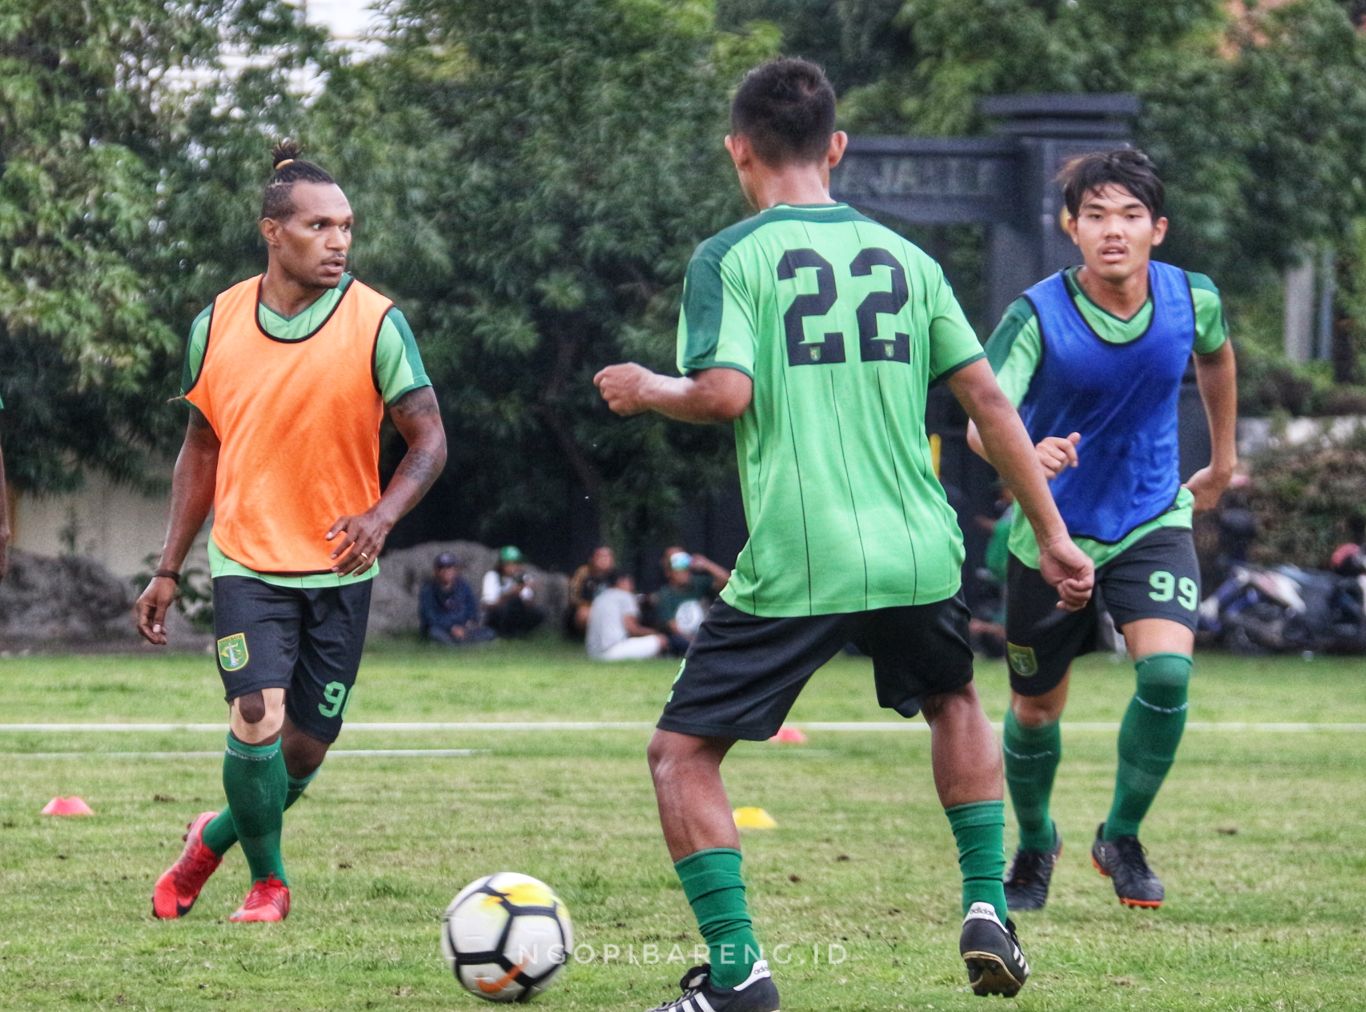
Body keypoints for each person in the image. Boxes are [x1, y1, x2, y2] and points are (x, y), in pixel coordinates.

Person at [594, 58, 1093, 1008]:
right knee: (954, 699)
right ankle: (986, 902)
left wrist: (645, 386)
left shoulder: (730, 258)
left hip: (801, 555)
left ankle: (738, 973)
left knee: (682, 754)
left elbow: (723, 393)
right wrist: (1054, 532)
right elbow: (988, 401)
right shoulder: (910, 260)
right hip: (916, 546)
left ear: (737, 149)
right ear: (837, 147)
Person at [135, 141, 447, 924]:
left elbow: (430, 440)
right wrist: (169, 566)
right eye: (319, 225)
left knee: (303, 751)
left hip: (341, 569)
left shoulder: (379, 323)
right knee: (255, 716)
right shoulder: (217, 323)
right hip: (246, 559)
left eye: (347, 226)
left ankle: (208, 840)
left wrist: (380, 516)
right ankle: (268, 885)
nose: (339, 240)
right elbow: (200, 448)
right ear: (273, 231)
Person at [966, 148, 1238, 913]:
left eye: (1128, 216)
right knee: (1035, 710)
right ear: (1069, 227)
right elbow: (985, 424)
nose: (1112, 231)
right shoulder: (1036, 314)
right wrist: (1029, 447)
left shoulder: (1192, 297)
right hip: (1051, 532)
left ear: (1157, 227)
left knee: (1167, 676)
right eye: (1095, 216)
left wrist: (1221, 461)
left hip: (1152, 516)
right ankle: (1034, 843)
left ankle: (1120, 836)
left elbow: (1216, 360)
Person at [586, 571, 670, 661]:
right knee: (660, 640)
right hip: (612, 651)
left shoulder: (600, 597)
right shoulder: (625, 596)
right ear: (621, 582)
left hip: (593, 654)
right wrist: (654, 633)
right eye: (630, 582)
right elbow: (632, 629)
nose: (632, 586)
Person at [654, 547, 729, 644]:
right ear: (668, 571)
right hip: (683, 640)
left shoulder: (698, 584)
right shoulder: (666, 594)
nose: (683, 570)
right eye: (676, 563)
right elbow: (673, 627)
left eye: (684, 560)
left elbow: (727, 581)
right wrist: (695, 642)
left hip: (704, 634)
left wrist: (706, 564)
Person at [420, 552, 494, 645]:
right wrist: (451, 628)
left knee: (488, 632)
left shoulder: (464, 586)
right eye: (442, 568)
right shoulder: (428, 590)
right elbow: (429, 617)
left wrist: (467, 625)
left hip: (463, 628)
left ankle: (460, 643)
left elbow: (472, 609)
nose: (446, 571)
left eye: (449, 568)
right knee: (434, 633)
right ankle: (459, 644)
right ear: (436, 571)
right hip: (442, 629)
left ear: (455, 570)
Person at [481, 545, 545, 637]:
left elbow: (528, 605)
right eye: (513, 563)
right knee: (513, 603)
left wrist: (528, 589)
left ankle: (519, 633)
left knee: (538, 613)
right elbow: (489, 605)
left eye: (518, 563)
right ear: (503, 565)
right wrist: (511, 593)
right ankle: (503, 633)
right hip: (497, 615)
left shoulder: (522, 577)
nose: (517, 567)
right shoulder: (492, 576)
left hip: (515, 613)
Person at [566, 544, 617, 636]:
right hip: (587, 607)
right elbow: (574, 597)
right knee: (584, 615)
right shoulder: (583, 573)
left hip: (610, 609)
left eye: (608, 557)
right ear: (592, 558)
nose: (604, 560)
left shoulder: (616, 576)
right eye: (601, 556)